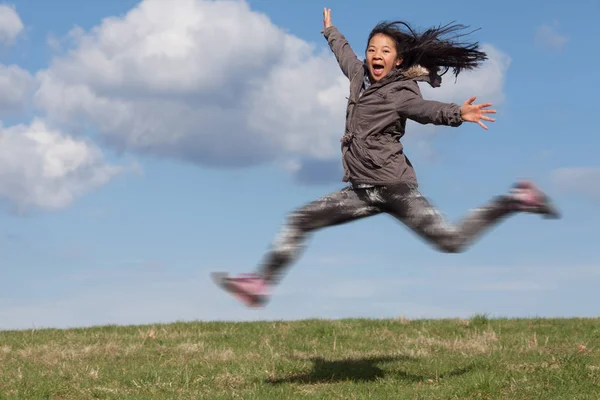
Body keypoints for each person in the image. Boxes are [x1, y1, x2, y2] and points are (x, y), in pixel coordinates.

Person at [211, 9, 560, 307]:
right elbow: (345, 55)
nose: (376, 55)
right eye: (372, 49)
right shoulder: (359, 75)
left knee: (451, 241)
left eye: (385, 51)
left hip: (395, 189)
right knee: (300, 219)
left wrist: (457, 113)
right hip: (361, 191)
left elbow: (425, 110)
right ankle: (260, 283)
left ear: (398, 60)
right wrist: (331, 32)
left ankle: (516, 199)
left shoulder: (400, 92)